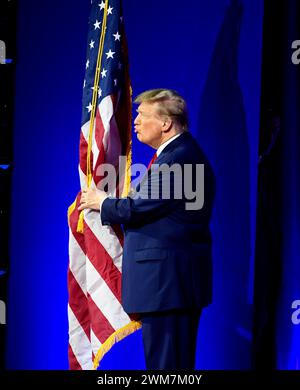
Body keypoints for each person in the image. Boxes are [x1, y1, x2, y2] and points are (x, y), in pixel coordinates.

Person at [78, 89, 215, 370]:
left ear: (165, 124)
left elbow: (136, 207)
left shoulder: (180, 159)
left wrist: (100, 201)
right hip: (170, 287)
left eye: (142, 115)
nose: (136, 122)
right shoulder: (178, 155)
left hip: (169, 287)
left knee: (167, 369)